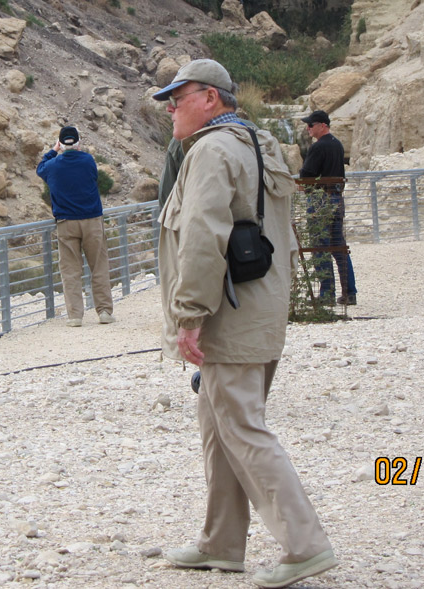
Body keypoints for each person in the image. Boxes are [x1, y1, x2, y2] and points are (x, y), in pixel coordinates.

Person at [154, 59, 337, 588]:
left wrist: (188, 315)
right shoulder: (261, 143)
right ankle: (221, 543)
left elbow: (202, 236)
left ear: (210, 98)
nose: (171, 109)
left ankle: (306, 544)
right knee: (218, 428)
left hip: (227, 314)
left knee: (242, 429)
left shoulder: (211, 150)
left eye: (178, 99)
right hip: (261, 308)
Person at [36, 125, 114, 326]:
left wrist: (53, 150)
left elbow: (40, 168)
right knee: (99, 267)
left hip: (66, 223)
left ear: (61, 144)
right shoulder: (88, 160)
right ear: (78, 143)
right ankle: (104, 312)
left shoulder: (52, 165)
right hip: (92, 220)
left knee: (71, 271)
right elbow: (94, 177)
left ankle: (75, 316)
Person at [298, 109, 357, 306]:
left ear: (322, 126)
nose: (308, 128)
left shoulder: (318, 147)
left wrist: (303, 183)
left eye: (311, 125)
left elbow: (307, 174)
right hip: (337, 199)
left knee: (320, 247)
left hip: (320, 201)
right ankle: (350, 292)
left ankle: (326, 294)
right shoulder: (337, 145)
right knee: (338, 246)